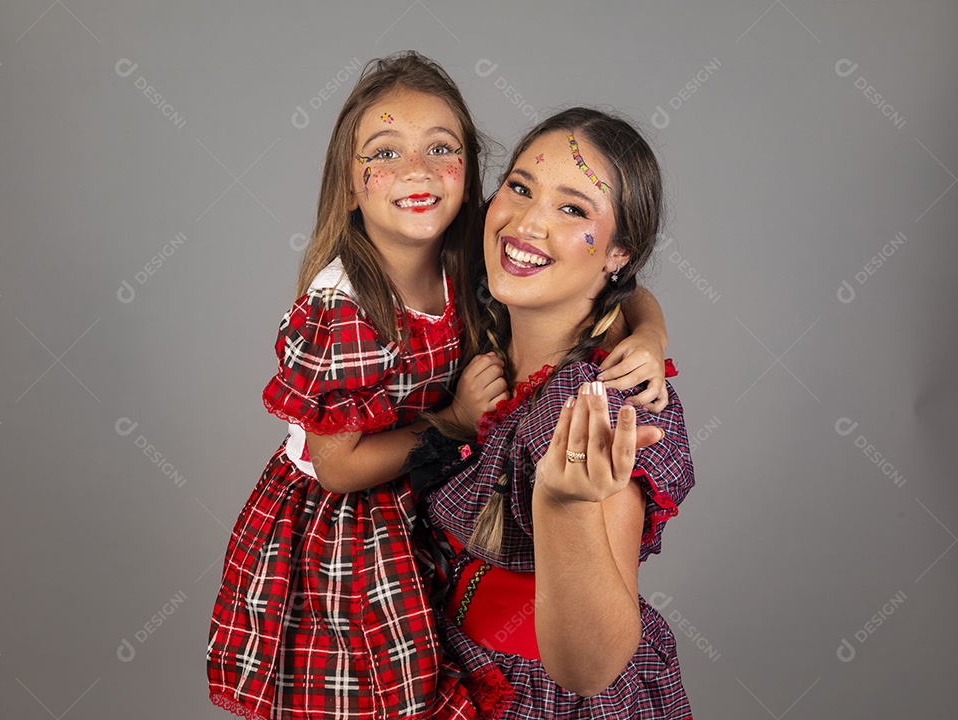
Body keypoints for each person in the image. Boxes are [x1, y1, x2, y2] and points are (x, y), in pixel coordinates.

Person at [207, 52, 673, 720]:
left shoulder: (480, 252)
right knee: (378, 686)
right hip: (348, 521)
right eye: (384, 153)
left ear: (467, 178)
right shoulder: (350, 304)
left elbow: (619, 284)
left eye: (440, 149)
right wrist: (453, 418)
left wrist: (651, 336)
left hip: (441, 531)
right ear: (348, 185)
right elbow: (337, 466)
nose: (416, 172)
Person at [416, 107, 695, 718]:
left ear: (619, 251)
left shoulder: (603, 400)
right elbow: (630, 293)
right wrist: (651, 327)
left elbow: (591, 670)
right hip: (456, 668)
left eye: (573, 209)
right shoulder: (481, 327)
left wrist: (561, 504)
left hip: (538, 697)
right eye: (519, 187)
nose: (527, 223)